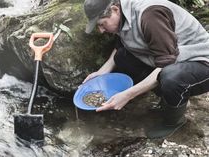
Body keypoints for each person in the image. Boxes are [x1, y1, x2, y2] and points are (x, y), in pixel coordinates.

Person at [82, 0, 209, 139]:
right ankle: (169, 99)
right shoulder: (121, 14)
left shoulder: (150, 16)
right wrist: (101, 72)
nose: (101, 30)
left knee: (170, 77)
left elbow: (166, 64)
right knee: (122, 58)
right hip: (172, 57)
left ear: (115, 9)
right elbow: (121, 45)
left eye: (101, 24)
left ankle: (174, 122)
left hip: (201, 60)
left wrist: (127, 95)